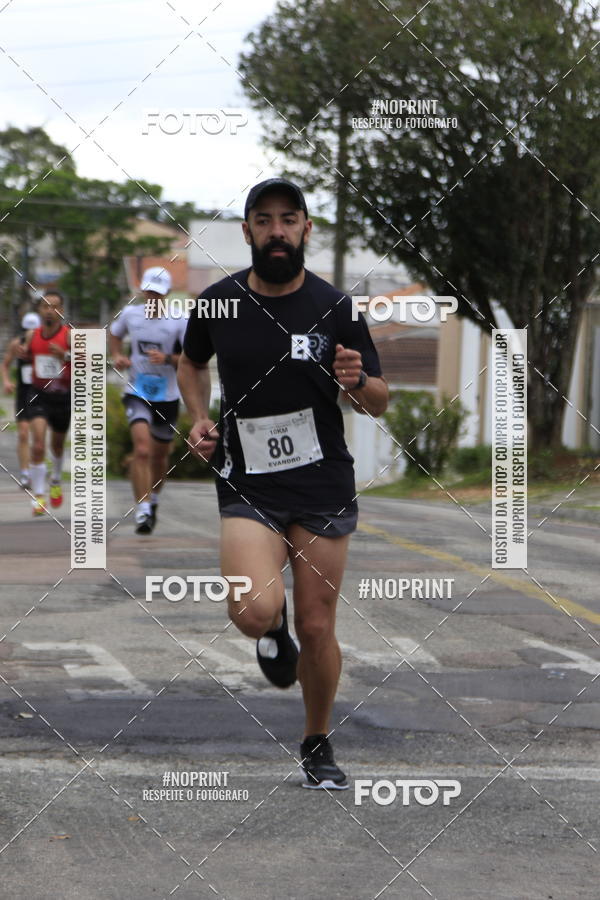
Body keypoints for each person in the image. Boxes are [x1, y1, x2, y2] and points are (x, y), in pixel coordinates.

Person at [178, 178, 389, 790]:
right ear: (246, 232)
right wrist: (197, 415)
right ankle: (271, 632)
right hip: (249, 481)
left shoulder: (336, 308)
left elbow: (378, 401)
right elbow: (191, 363)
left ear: (306, 229)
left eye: (288, 219)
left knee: (319, 625)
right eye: (264, 220)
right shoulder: (217, 302)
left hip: (322, 481)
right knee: (252, 609)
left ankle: (317, 742)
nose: (277, 230)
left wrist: (355, 380)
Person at [109, 266, 187, 534]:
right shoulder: (131, 314)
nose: (153, 298)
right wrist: (117, 355)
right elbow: (114, 333)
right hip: (137, 391)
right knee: (142, 450)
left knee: (159, 457)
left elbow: (192, 358)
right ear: (142, 291)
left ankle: (153, 499)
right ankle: (142, 510)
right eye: (149, 293)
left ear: (166, 294)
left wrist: (167, 359)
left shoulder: (179, 319)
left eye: (158, 294)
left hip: (167, 394)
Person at [22, 293, 71, 516]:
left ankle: (56, 480)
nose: (50, 310)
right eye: (45, 306)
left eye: (54, 306)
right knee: (38, 444)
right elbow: (23, 356)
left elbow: (89, 363)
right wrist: (20, 354)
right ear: (40, 310)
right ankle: (39, 496)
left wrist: (66, 355)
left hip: (63, 396)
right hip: (38, 394)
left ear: (61, 310)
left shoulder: (69, 336)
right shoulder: (32, 335)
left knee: (57, 446)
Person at [1, 311, 41, 489]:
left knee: (38, 436)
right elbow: (5, 364)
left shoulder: (45, 344)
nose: (29, 334)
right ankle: (25, 475)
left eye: (34, 330)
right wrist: (7, 381)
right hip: (24, 392)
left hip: (42, 393)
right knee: (23, 433)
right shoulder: (16, 344)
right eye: (27, 330)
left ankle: (37, 470)